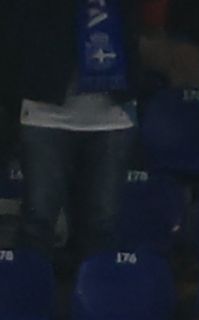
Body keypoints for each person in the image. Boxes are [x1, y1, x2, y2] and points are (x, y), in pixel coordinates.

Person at [14, 0, 140, 264]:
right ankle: (30, 288)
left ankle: (99, 290)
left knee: (102, 225)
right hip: (45, 112)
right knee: (38, 221)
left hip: (112, 115)